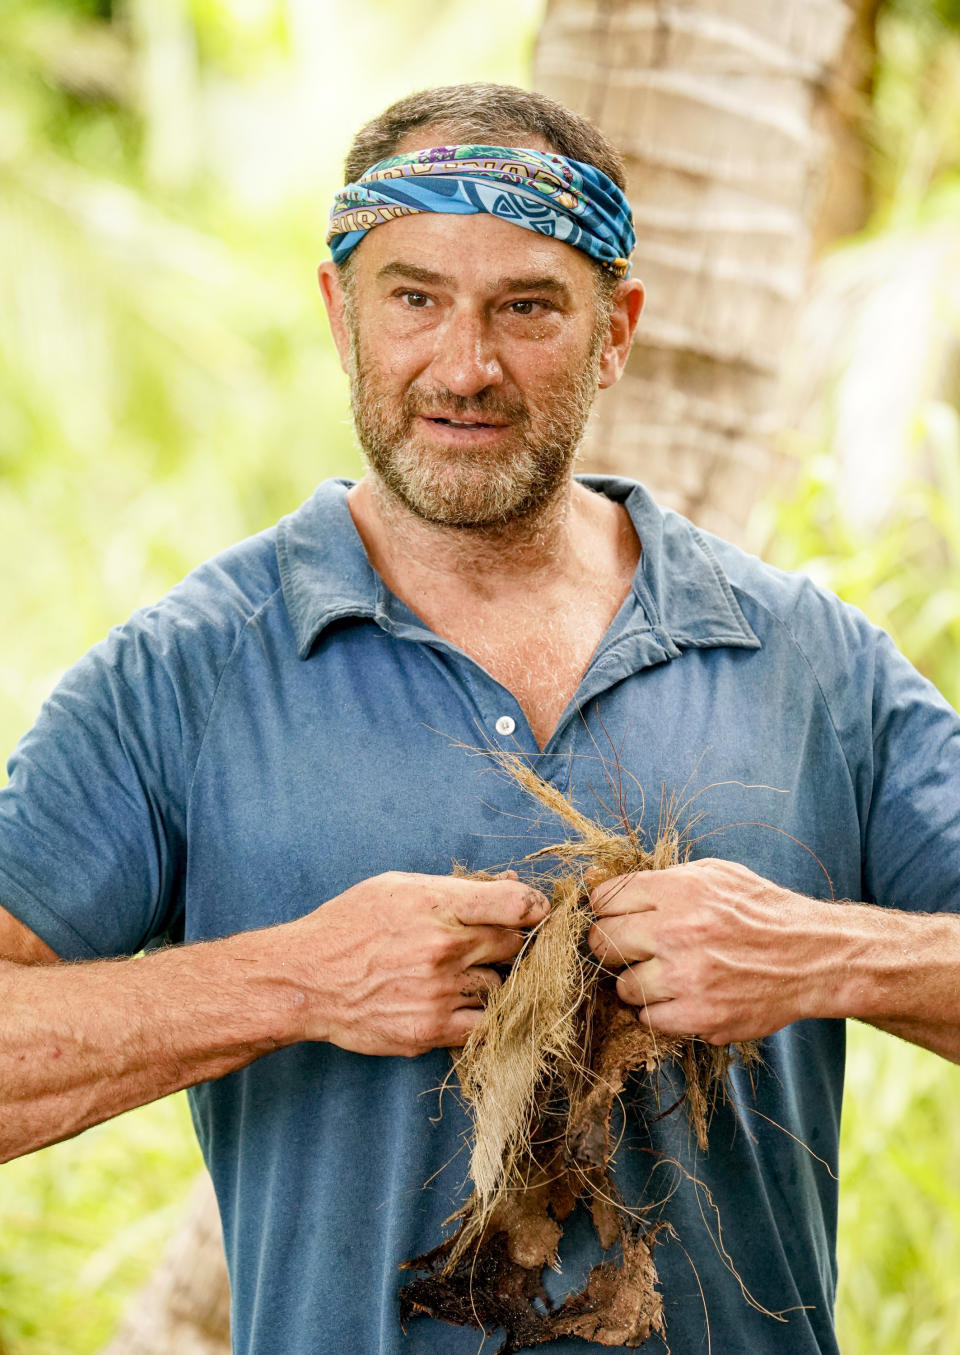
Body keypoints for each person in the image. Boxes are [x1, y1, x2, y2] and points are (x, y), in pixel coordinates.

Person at [1, 81, 958, 1355]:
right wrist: (293, 978)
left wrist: (826, 958)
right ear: (341, 314)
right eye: (414, 297)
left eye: (527, 305)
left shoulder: (808, 664)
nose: (465, 366)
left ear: (615, 332)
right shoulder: (189, 674)